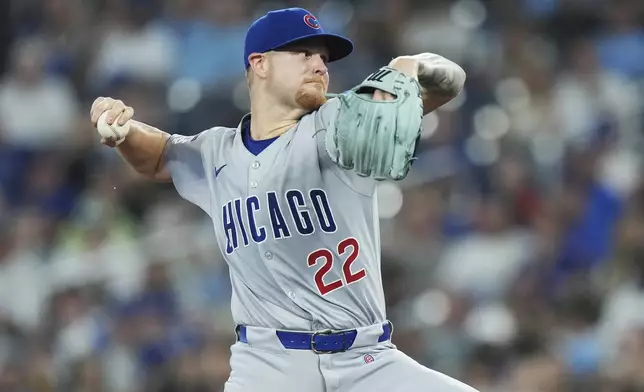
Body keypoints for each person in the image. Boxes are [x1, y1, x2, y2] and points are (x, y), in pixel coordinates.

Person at [90, 7, 472, 392]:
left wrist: (411, 67)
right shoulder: (216, 153)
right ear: (260, 63)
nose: (320, 65)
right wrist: (121, 130)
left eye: (324, 58)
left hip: (366, 360)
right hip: (267, 367)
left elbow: (449, 83)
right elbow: (159, 154)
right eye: (304, 53)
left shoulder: (341, 120)